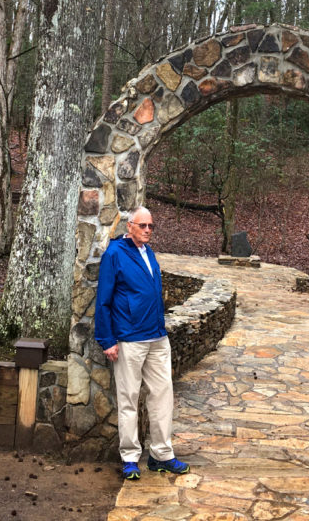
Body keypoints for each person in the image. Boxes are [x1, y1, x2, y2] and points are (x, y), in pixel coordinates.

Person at [94, 206, 190, 481]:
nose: (148, 230)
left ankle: (161, 455)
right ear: (130, 226)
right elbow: (103, 299)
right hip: (129, 339)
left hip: (157, 337)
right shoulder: (115, 254)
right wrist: (107, 339)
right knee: (129, 399)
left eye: (151, 226)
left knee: (163, 395)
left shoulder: (149, 254)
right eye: (143, 225)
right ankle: (129, 457)